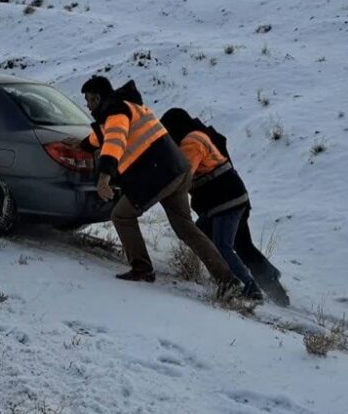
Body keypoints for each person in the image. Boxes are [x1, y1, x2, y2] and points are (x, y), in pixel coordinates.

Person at [65, 76, 239, 296]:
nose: (87, 104)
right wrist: (81, 144)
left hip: (157, 176)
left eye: (89, 100)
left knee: (121, 215)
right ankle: (228, 280)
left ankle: (141, 268)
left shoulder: (115, 112)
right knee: (186, 228)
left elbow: (114, 141)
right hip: (177, 170)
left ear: (98, 98)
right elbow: (103, 136)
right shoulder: (127, 107)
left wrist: (104, 176)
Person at [160, 108, 289, 304]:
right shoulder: (198, 135)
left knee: (221, 244)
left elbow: (183, 176)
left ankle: (249, 288)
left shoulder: (191, 142)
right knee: (233, 243)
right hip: (231, 197)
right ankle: (272, 285)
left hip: (225, 200)